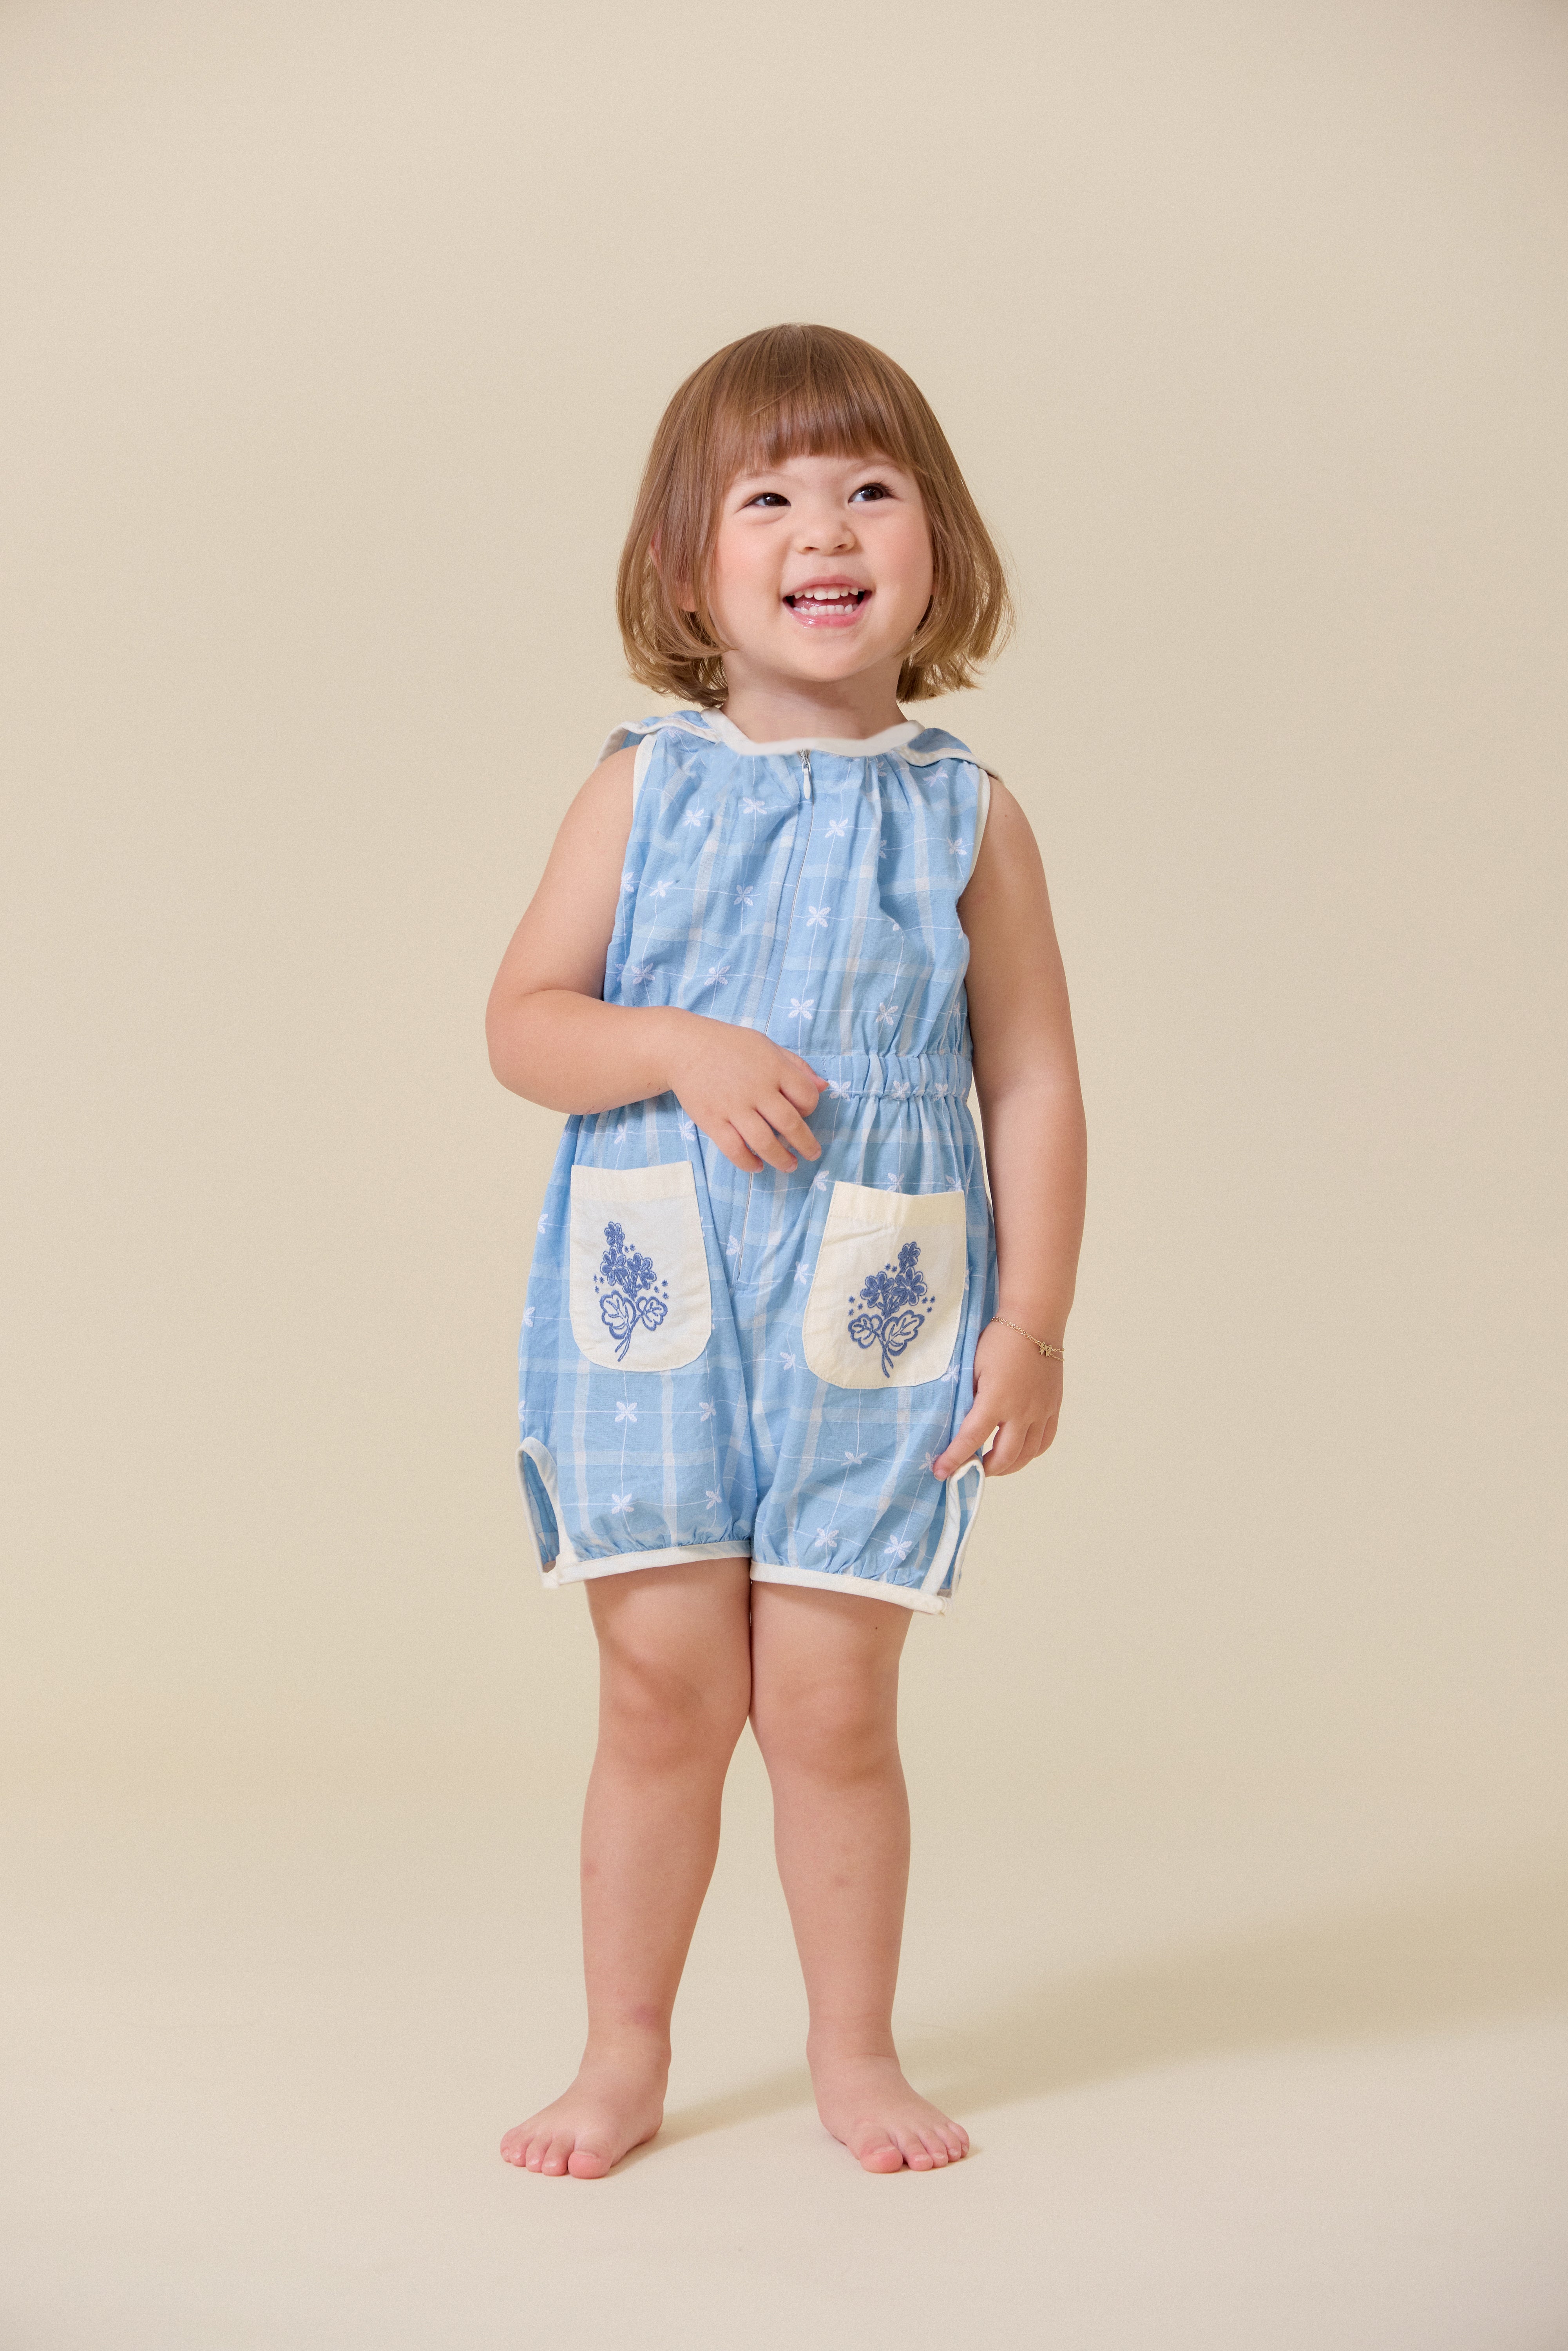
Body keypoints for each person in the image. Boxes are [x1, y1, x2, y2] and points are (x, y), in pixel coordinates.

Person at [485, 323, 1086, 2178]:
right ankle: (622, 2054)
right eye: (767, 499)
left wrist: (1034, 1322)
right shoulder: (640, 788)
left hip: (876, 1312)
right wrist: (672, 1045)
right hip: (653, 1303)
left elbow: (1034, 1080)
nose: (822, 528)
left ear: (936, 548)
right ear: (687, 571)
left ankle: (853, 2051)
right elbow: (523, 1025)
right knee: (660, 1693)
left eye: (868, 489)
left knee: (829, 1708)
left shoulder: (967, 815)